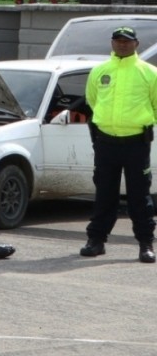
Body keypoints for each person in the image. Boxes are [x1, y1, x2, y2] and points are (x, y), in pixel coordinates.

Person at [80, 26, 157, 263]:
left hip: (136, 143)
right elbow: (93, 101)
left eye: (127, 41)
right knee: (104, 193)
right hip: (105, 143)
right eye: (118, 40)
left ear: (137, 44)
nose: (122, 44)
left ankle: (145, 244)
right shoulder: (100, 71)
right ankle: (96, 241)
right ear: (112, 43)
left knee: (139, 195)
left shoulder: (149, 73)